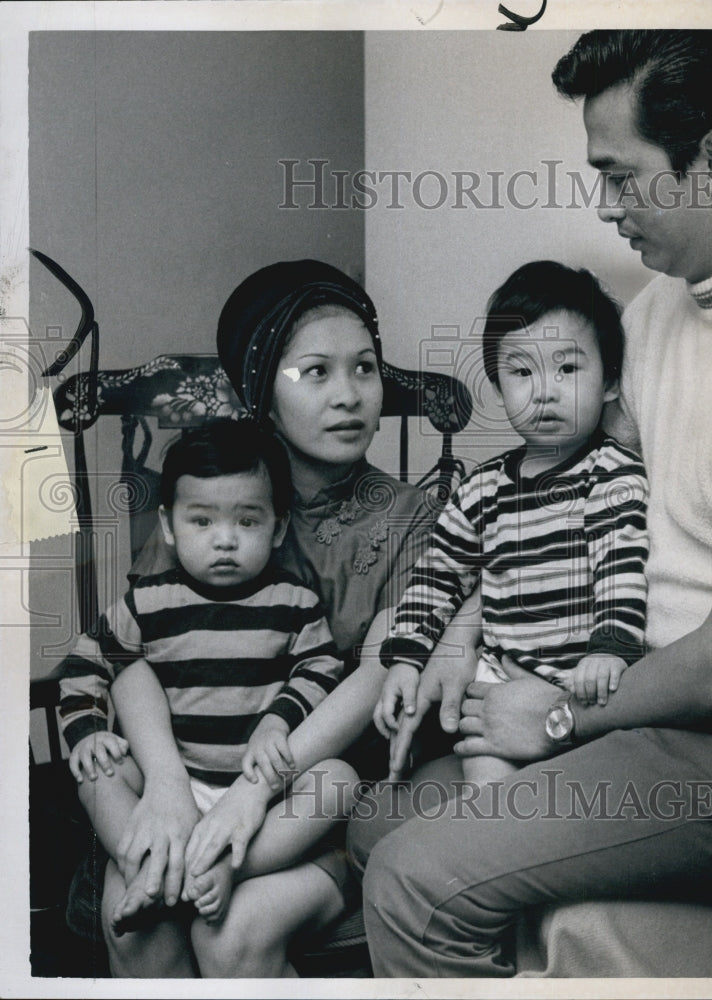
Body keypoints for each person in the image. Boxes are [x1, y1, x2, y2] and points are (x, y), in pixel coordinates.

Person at [349, 29, 712, 977]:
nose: (604, 207)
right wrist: (459, 640)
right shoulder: (652, 317)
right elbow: (557, 506)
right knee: (375, 823)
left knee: (412, 880)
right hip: (627, 698)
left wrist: (561, 717)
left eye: (620, 175)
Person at [68, 259, 436, 977]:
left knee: (230, 935)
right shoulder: (216, 498)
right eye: (315, 373)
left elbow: (377, 671)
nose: (349, 396)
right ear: (263, 389)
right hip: (185, 771)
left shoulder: (411, 518)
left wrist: (252, 795)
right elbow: (136, 649)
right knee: (141, 933)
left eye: (364, 369)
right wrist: (170, 788)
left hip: (315, 806)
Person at [59, 419, 358, 935]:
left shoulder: (292, 603)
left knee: (338, 781)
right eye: (202, 522)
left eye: (247, 522)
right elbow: (87, 660)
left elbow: (321, 667)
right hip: (174, 784)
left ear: (278, 527)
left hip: (263, 796)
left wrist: (277, 722)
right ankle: (147, 865)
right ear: (170, 526)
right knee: (99, 774)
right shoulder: (148, 604)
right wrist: (86, 730)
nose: (225, 540)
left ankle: (224, 865)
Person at [374, 261, 648, 788]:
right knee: (487, 784)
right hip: (497, 678)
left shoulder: (611, 474)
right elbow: (438, 576)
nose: (544, 391)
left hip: (583, 682)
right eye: (522, 373)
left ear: (611, 382)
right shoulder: (481, 488)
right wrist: (407, 659)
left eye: (568, 370)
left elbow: (621, 563)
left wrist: (610, 647)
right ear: (499, 387)